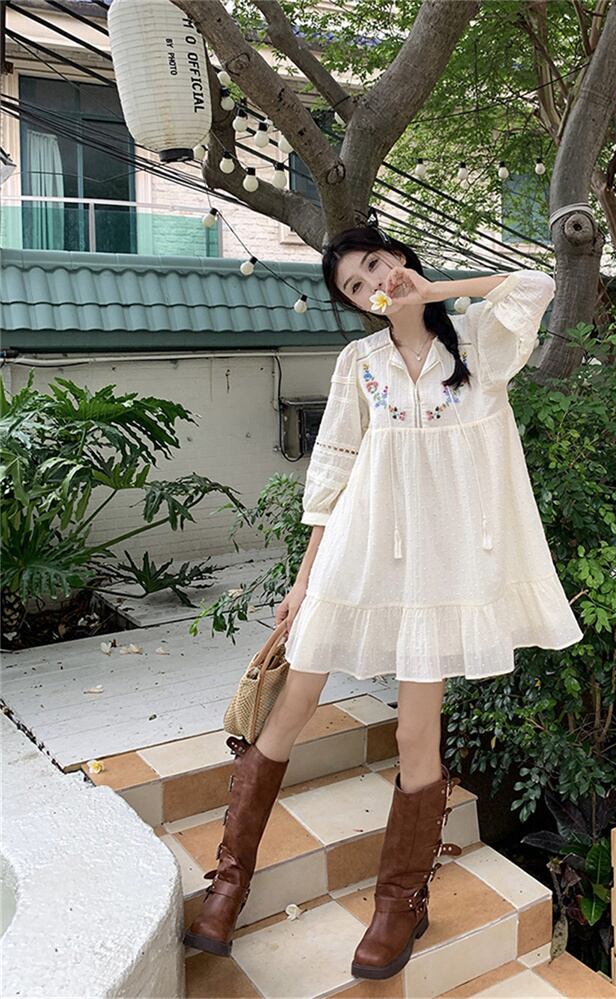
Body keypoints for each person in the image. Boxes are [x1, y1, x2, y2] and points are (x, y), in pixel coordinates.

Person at [183, 223, 584, 979]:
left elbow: (537, 284)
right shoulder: (359, 363)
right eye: (356, 286)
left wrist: (436, 292)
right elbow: (331, 473)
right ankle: (228, 884)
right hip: (359, 553)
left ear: (400, 258)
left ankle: (400, 902)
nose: (375, 284)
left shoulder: (479, 342)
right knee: (290, 709)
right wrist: (303, 581)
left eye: (377, 264)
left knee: (415, 734)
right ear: (356, 305)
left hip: (441, 569)